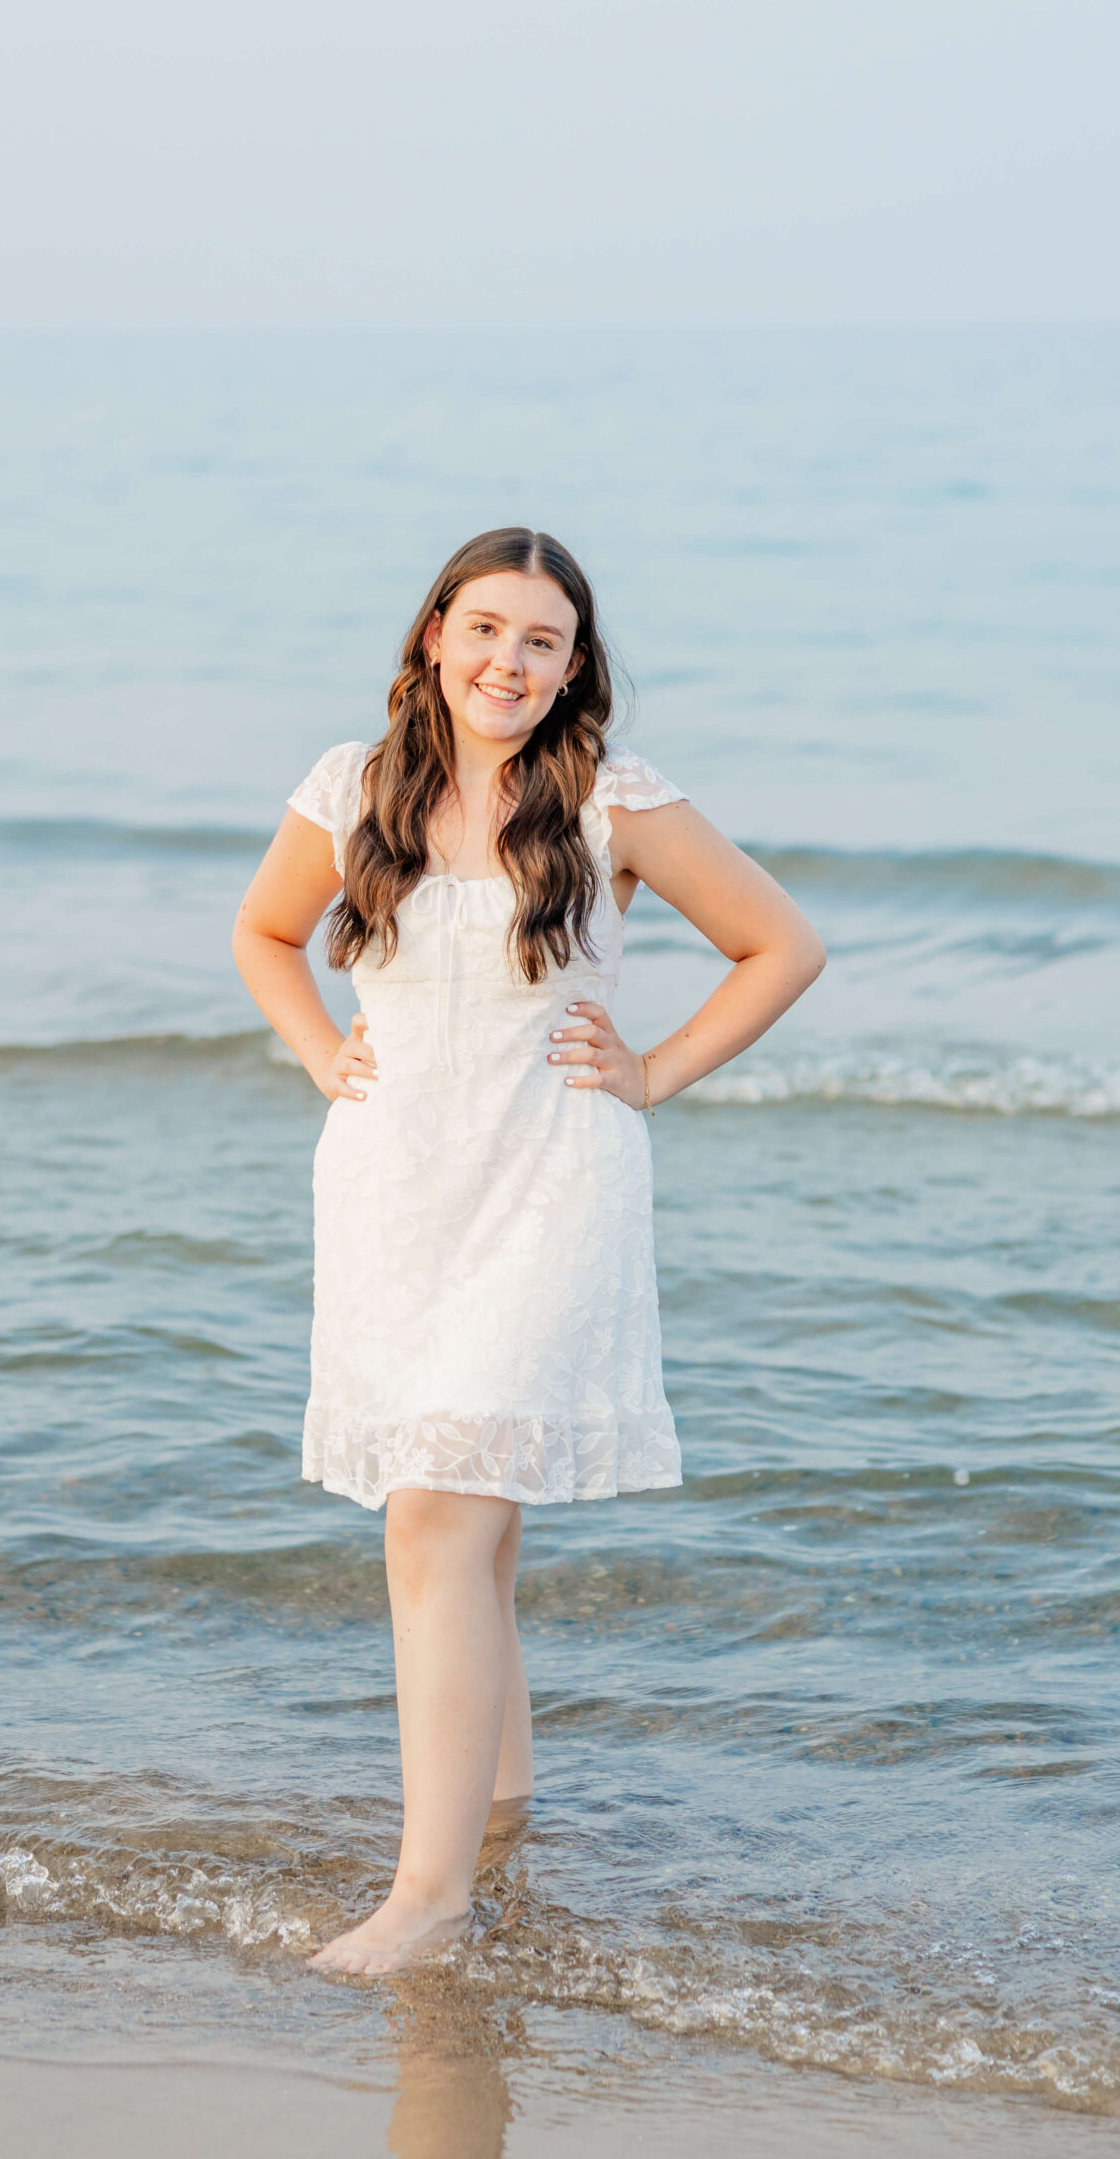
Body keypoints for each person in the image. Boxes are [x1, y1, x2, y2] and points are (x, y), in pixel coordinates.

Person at [233, 526, 825, 1975]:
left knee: (435, 1512)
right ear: (435, 634)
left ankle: (427, 1899)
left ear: (573, 668)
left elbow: (783, 946)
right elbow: (265, 932)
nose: (511, 660)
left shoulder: (613, 799)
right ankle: (497, 1820)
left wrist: (654, 1069)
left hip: (551, 1185)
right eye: (487, 629)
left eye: (543, 641)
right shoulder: (353, 785)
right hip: (390, 1190)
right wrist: (321, 1051)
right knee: (466, 1528)